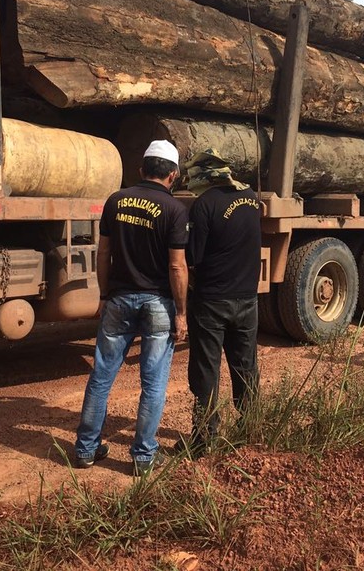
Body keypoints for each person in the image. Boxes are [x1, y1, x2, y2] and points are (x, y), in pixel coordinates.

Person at [73, 139, 189, 475]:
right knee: (152, 383)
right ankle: (142, 458)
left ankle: (86, 449)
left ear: (141, 169)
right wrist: (181, 313)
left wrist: (104, 295)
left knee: (101, 376)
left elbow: (103, 253)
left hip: (119, 300)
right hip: (157, 303)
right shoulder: (175, 210)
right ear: (174, 175)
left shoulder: (116, 201)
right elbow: (177, 267)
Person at [177, 149, 262, 455]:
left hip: (213, 301)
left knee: (206, 370)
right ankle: (251, 428)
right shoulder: (251, 199)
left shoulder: (204, 205)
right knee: (245, 366)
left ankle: (203, 439)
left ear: (203, 177)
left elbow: (194, 257)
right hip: (248, 300)